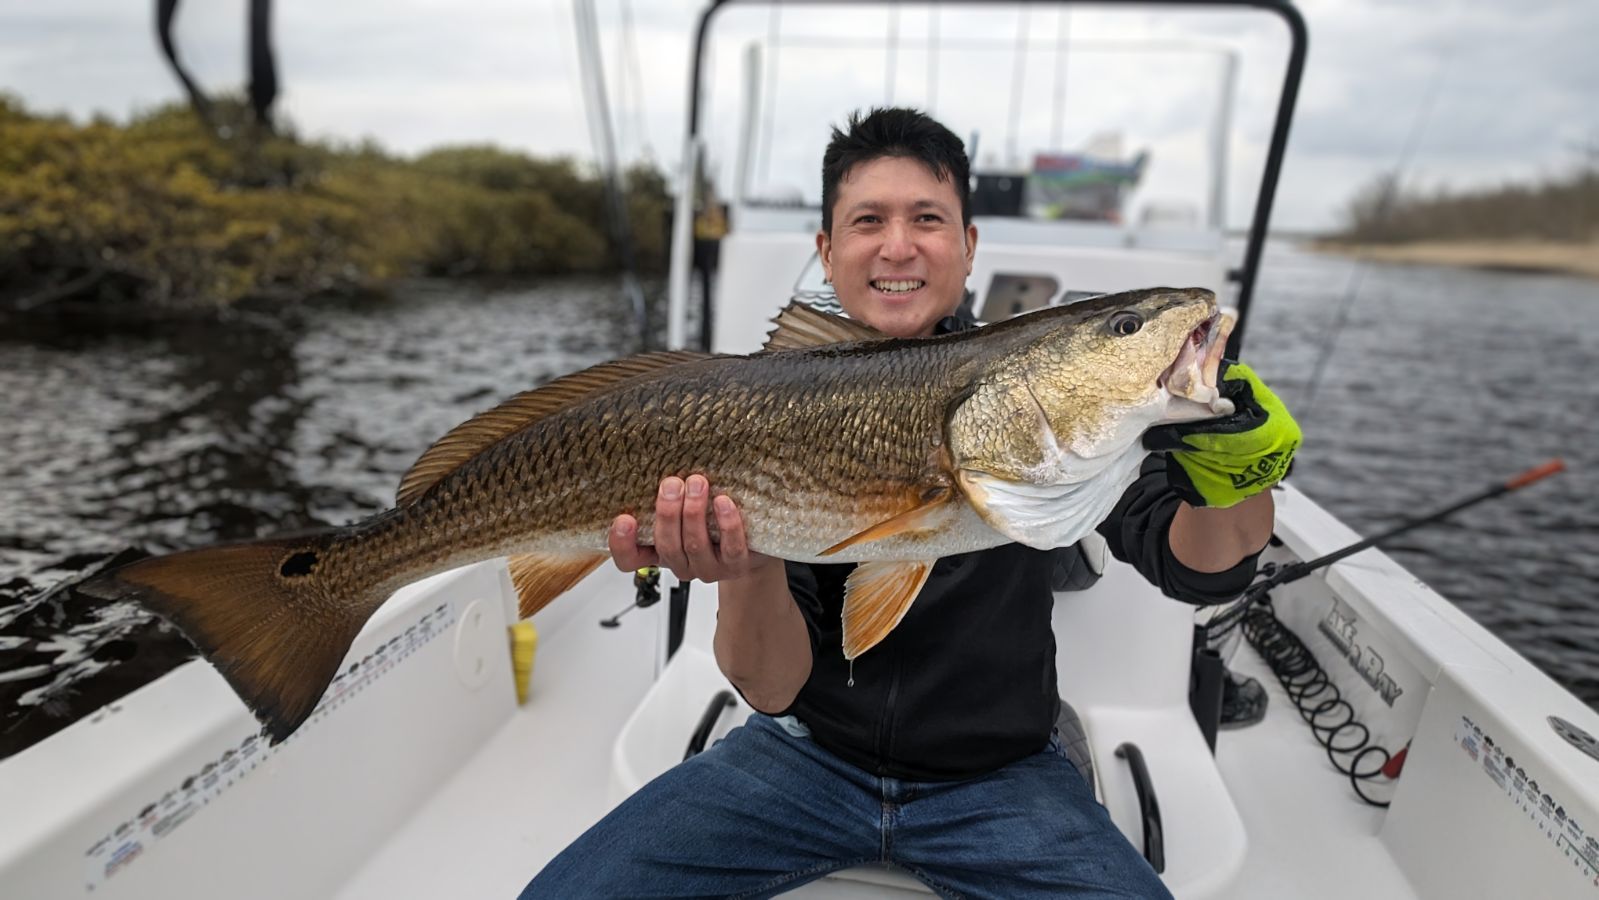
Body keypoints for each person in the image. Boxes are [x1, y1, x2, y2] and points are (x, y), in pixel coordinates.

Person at [521, 107, 1300, 899]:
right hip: (800, 757)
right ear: (827, 250)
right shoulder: (772, 402)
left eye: (927, 218)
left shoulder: (1058, 411)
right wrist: (748, 567)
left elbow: (1199, 566)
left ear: (968, 244)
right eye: (868, 221)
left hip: (1004, 778)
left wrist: (1238, 472)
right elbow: (772, 688)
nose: (897, 246)